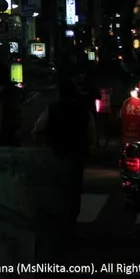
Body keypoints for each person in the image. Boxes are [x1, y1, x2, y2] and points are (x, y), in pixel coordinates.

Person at [33, 78, 96, 235]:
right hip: (76, 156)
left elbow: (38, 129)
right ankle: (71, 223)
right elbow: (91, 135)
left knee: (57, 190)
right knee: (74, 191)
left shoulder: (52, 109)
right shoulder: (83, 111)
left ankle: (59, 224)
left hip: (57, 154)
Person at [0, 76, 23, 147]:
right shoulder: (8, 89)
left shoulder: (4, 91)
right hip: (9, 124)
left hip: (7, 124)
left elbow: (2, 111)